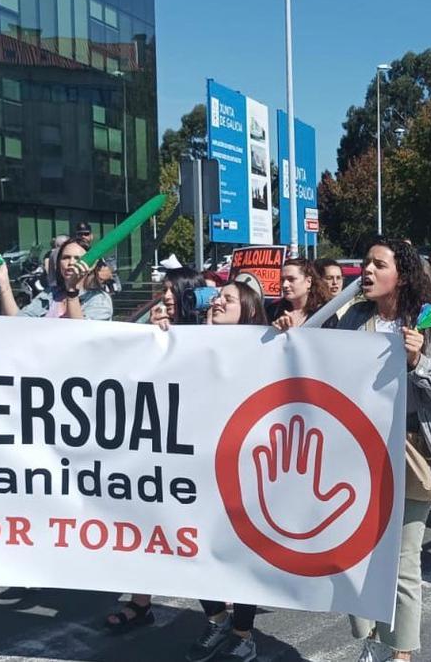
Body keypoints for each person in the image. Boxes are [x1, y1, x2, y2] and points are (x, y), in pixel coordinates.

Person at [334, 238, 431, 662]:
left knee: (402, 562)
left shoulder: (428, 323)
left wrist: (418, 364)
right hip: (359, 455)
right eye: (364, 263)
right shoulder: (354, 318)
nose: (368, 271)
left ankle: (401, 654)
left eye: (379, 264)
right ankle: (369, 639)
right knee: (353, 554)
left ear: (403, 276)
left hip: (412, 452)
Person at [109, 267, 208, 634]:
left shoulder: (209, 331)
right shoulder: (155, 327)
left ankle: (220, 612)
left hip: (196, 446)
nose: (166, 296)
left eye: (173, 290)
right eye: (164, 289)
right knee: (147, 522)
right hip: (158, 443)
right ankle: (140, 602)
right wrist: (150, 338)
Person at [182, 282, 268, 662]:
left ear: (247, 311)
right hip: (195, 462)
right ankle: (216, 618)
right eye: (217, 297)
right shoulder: (190, 343)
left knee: (240, 551)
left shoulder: (263, 350)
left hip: (240, 464)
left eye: (228, 299)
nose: (217, 301)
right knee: (196, 545)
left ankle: (242, 632)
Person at [21, 239, 111, 320]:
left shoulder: (99, 299)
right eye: (66, 258)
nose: (71, 263)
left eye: (78, 258)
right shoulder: (51, 294)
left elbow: (81, 333)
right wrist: (6, 288)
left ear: (91, 265)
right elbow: (21, 320)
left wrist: (72, 290)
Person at [269, 258, 337, 329]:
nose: (284, 285)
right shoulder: (273, 311)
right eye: (282, 280)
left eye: (291, 279)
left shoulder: (325, 312)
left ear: (308, 282)